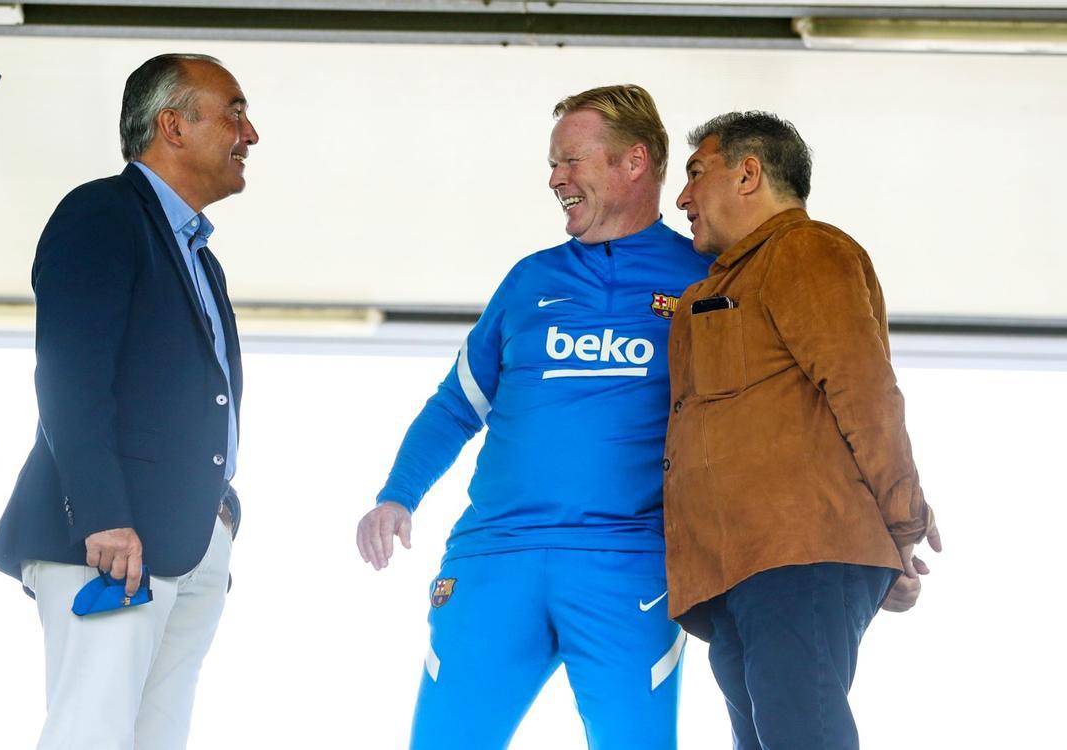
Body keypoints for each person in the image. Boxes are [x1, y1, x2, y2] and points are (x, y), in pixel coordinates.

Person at [356, 84, 710, 749]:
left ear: (633, 163)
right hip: (495, 559)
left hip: (630, 566)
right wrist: (396, 495)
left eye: (571, 160)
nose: (555, 178)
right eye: (555, 163)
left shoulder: (706, 279)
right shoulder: (529, 281)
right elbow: (456, 404)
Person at [0, 53, 257, 750]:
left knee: (155, 738)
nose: (249, 133)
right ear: (172, 124)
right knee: (92, 734)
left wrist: (220, 508)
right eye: (233, 111)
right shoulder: (103, 213)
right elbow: (70, 375)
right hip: (112, 538)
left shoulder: (199, 254)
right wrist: (103, 513)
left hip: (187, 541)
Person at [664, 111, 943, 749]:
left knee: (802, 736)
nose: (682, 198)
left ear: (749, 173)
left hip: (800, 558)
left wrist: (901, 527)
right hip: (738, 571)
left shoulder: (806, 250)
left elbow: (865, 390)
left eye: (696, 173)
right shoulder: (724, 282)